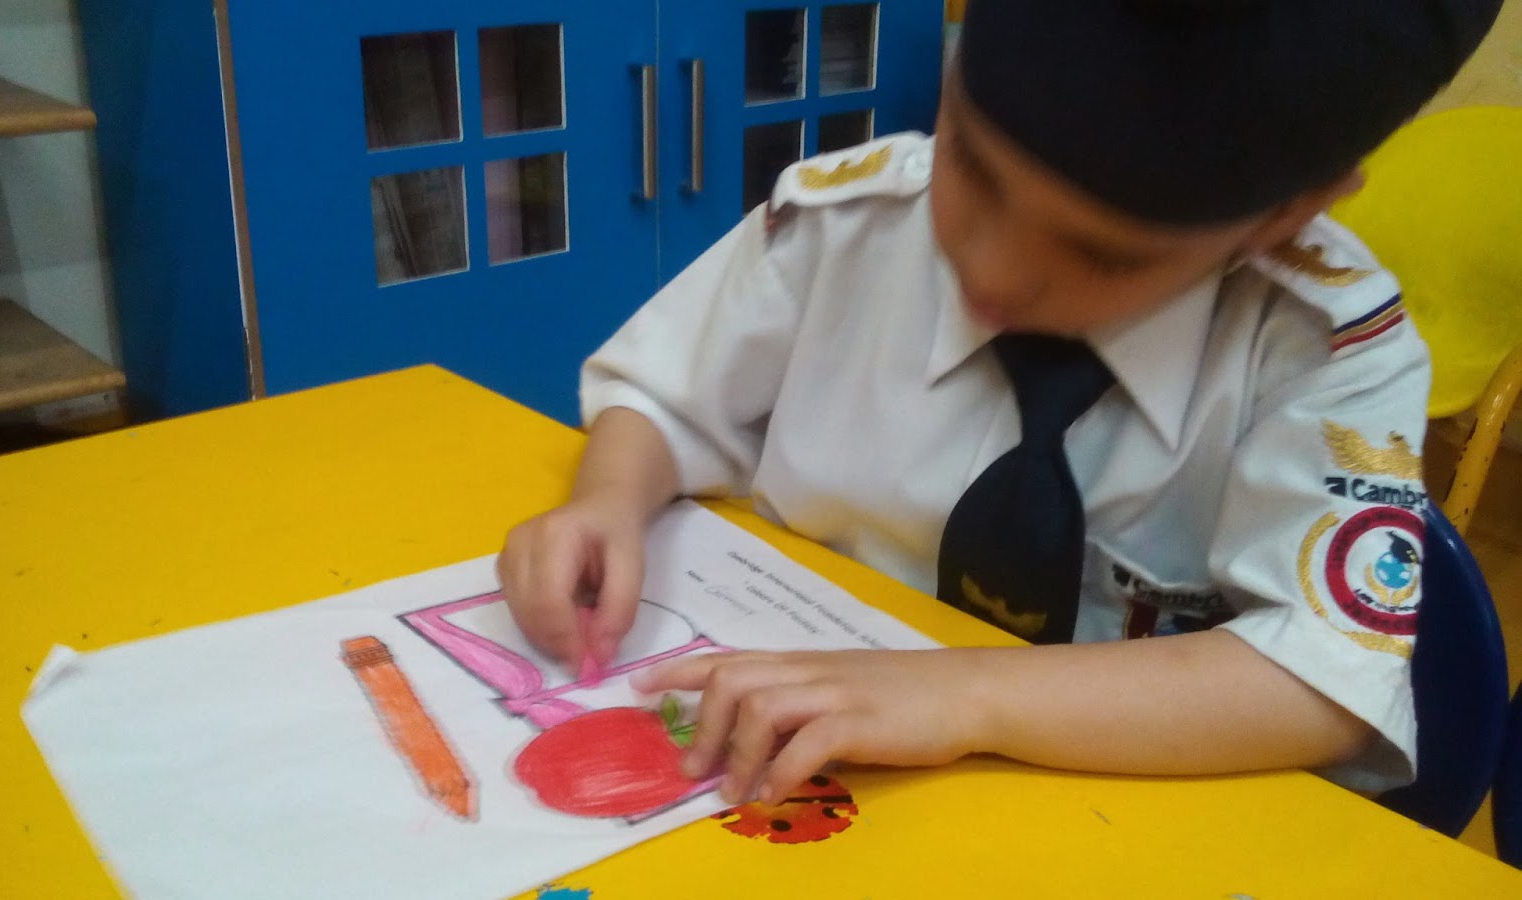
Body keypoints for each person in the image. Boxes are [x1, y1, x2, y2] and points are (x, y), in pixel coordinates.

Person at [496, 0, 1503, 807]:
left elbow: (1320, 686)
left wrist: (963, 692)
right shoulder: (848, 221)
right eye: (970, 166)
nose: (991, 267)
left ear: (1286, 216)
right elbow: (664, 393)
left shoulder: (1327, 352)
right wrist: (608, 499)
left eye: (1099, 253)